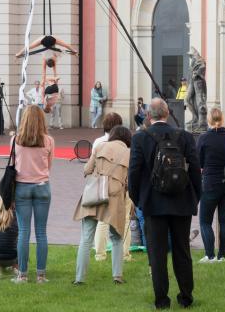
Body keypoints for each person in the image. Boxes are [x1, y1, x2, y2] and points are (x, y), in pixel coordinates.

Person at [128, 98, 202, 309]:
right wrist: (195, 196)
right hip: (181, 201)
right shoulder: (185, 137)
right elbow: (195, 170)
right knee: (182, 251)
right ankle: (186, 296)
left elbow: (133, 172)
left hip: (153, 203)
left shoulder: (141, 138)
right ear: (167, 113)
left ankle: (162, 299)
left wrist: (138, 199)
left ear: (148, 116)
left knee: (157, 253)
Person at [73, 125, 133, 284]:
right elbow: (131, 180)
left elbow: (86, 169)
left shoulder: (99, 146)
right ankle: (117, 276)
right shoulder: (128, 153)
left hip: (95, 195)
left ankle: (79, 278)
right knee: (117, 238)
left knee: (86, 239)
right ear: (127, 138)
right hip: (115, 197)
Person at [12, 105, 54, 284]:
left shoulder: (16, 140)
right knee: (41, 232)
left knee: (23, 231)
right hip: (42, 186)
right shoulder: (48, 140)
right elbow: (49, 165)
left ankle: (22, 274)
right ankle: (41, 275)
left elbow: (13, 165)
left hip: (22, 186)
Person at [196, 107, 225, 263]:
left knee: (205, 221)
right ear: (222, 119)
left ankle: (210, 255)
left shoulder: (204, 138)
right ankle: (222, 256)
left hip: (210, 184)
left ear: (209, 120)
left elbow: (198, 162)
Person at [91, 113, 132, 262]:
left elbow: (92, 165)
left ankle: (100, 254)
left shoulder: (98, 142)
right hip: (122, 185)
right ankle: (125, 254)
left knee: (102, 220)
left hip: (102, 185)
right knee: (125, 219)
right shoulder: (126, 143)